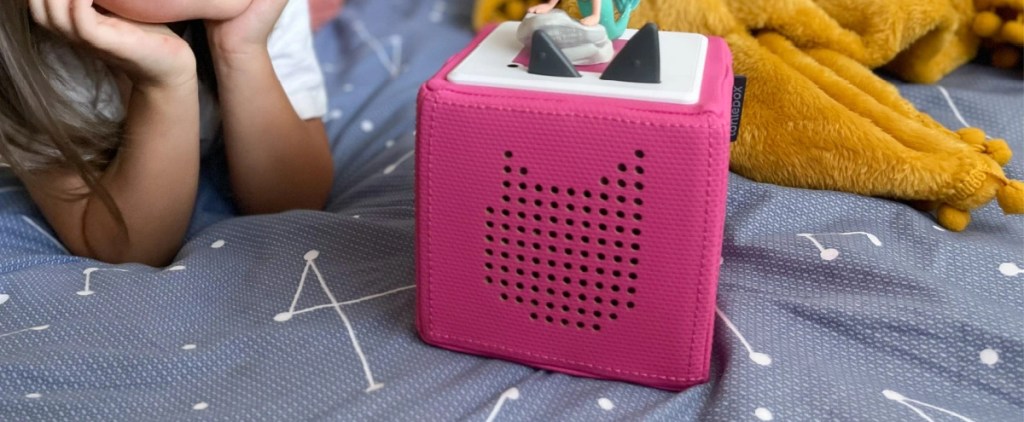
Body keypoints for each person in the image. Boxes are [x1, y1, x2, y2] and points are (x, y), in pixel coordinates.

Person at [0, 0, 334, 266]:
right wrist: (164, 83)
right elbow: (124, 250)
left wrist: (241, 50)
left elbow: (294, 202)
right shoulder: (33, 55)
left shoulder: (259, 8)